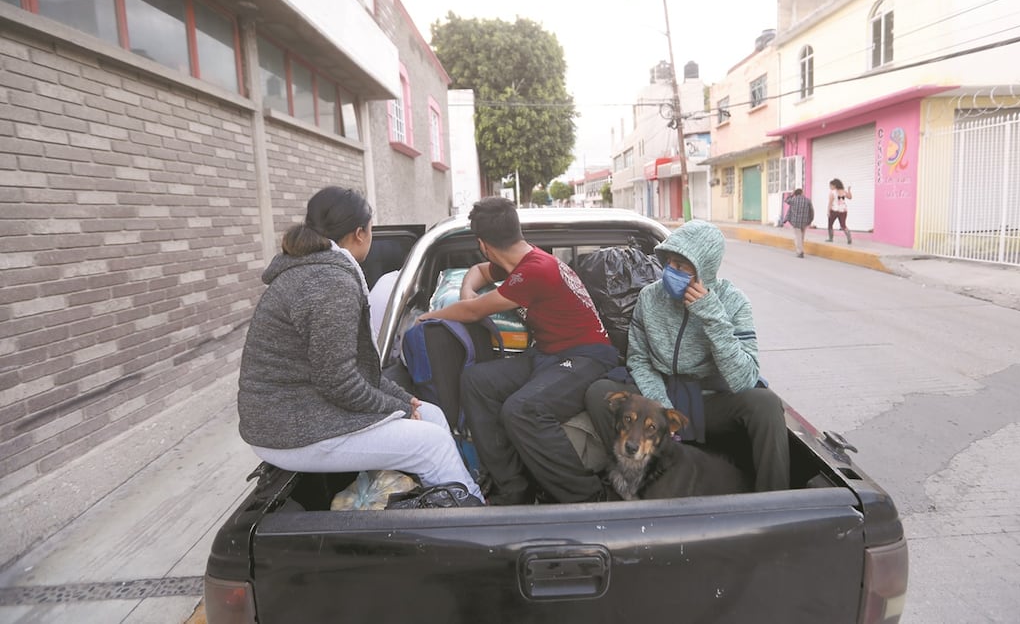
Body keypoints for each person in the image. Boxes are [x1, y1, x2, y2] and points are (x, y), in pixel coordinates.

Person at [237, 186, 483, 502]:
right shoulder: (329, 283)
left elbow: (356, 374)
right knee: (430, 444)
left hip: (300, 411)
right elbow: (338, 382)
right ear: (359, 233)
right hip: (288, 428)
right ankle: (472, 513)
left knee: (430, 413)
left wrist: (406, 401)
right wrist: (397, 408)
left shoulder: (316, 271)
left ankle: (444, 498)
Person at [418, 197, 618, 505]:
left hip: (588, 357)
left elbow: (472, 313)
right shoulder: (521, 262)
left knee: (522, 410)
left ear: (482, 243)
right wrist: (467, 292)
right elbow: (478, 272)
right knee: (477, 381)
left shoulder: (536, 269)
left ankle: (589, 497)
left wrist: (429, 316)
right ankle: (513, 488)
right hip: (550, 355)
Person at [585, 220, 790, 493]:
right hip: (657, 396)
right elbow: (639, 359)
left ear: (704, 270)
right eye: (669, 263)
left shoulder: (733, 302)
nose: (672, 272)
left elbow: (744, 378)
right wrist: (662, 409)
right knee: (600, 391)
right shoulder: (650, 297)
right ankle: (630, 478)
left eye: (682, 267)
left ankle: (774, 501)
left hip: (708, 400)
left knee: (765, 403)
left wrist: (712, 317)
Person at [781, 188, 814, 258]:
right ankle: (800, 250)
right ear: (801, 193)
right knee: (801, 237)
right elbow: (811, 211)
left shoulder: (793, 200)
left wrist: (792, 195)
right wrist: (810, 220)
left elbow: (786, 200)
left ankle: (800, 252)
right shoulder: (808, 200)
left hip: (795, 222)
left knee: (798, 237)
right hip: (805, 222)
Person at [827, 178, 853, 244]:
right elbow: (850, 197)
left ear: (835, 185)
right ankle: (849, 238)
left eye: (831, 185)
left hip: (834, 210)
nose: (830, 187)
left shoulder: (832, 192)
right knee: (843, 225)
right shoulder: (844, 191)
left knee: (830, 224)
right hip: (843, 211)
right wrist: (849, 190)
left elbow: (830, 202)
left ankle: (830, 238)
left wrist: (828, 211)